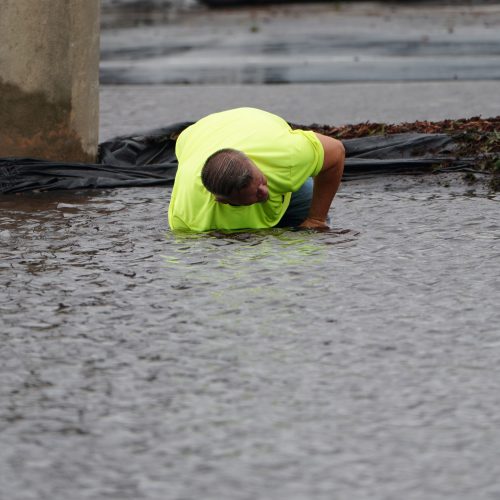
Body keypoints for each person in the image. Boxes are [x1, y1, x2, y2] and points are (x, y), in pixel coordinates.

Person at [168, 107, 344, 232]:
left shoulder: (284, 156)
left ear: (252, 163)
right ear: (223, 201)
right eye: (255, 195)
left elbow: (336, 151)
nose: (265, 191)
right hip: (194, 137)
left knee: (311, 218)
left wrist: (316, 219)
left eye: (261, 182)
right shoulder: (189, 218)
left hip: (258, 124)